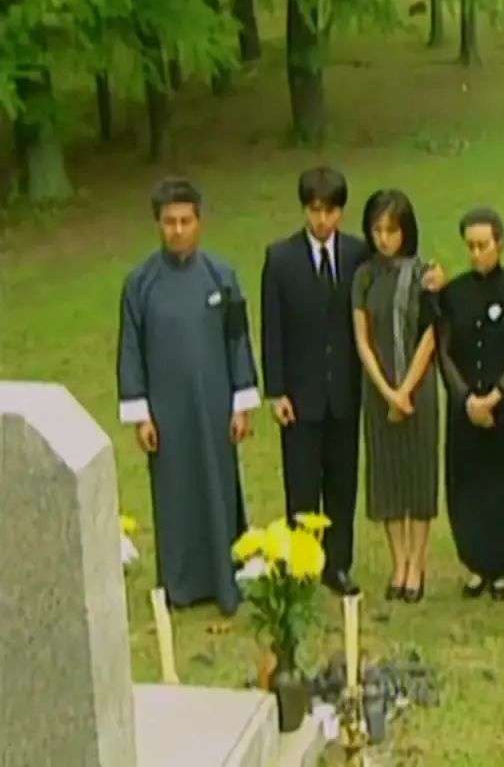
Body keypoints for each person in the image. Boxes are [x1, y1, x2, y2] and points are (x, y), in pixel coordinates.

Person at [117, 177, 259, 615]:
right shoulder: (139, 284)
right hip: (167, 413)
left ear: (199, 222)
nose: (177, 230)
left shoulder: (222, 276)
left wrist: (242, 403)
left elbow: (238, 339)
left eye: (185, 221)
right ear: (158, 224)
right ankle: (179, 585)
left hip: (216, 407)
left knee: (219, 487)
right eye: (169, 222)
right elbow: (130, 350)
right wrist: (141, 415)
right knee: (174, 493)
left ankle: (224, 579)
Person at [260, 167, 367, 596]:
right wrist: (276, 390)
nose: (323, 220)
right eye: (315, 210)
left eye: (331, 211)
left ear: (341, 212)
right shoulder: (280, 259)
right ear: (305, 209)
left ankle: (337, 565)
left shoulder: (357, 254)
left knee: (342, 484)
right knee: (302, 485)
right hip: (300, 396)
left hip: (344, 393)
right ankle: (302, 564)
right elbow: (272, 328)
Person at [437, 208, 504, 600]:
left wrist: (495, 397)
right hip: (465, 408)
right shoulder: (454, 293)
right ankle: (476, 562)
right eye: (471, 246)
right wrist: (465, 399)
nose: (477, 254)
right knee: (468, 486)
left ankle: (503, 567)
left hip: (502, 407)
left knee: (503, 485)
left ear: (500, 244)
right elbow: (444, 350)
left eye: (484, 245)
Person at [351, 189, 439, 603]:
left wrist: (405, 391)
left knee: (418, 477)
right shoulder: (364, 276)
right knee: (386, 478)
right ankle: (398, 562)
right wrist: (387, 391)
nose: (384, 238)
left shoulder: (424, 274)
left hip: (419, 390)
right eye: (377, 230)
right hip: (378, 391)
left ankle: (417, 564)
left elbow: (430, 335)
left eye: (392, 230)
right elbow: (362, 339)